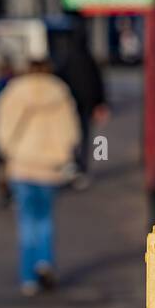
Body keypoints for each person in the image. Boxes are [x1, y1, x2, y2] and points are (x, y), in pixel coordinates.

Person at [0, 57, 80, 297]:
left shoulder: (13, 92)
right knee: (45, 218)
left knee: (26, 220)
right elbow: (70, 132)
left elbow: (1, 130)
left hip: (21, 165)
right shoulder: (60, 93)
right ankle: (45, 261)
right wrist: (63, 155)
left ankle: (28, 278)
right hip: (49, 167)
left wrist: (7, 150)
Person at [55, 16, 109, 190]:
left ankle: (71, 166)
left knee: (70, 137)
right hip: (86, 104)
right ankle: (82, 167)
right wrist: (100, 103)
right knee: (85, 137)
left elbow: (60, 82)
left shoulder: (66, 61)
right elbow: (98, 83)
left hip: (70, 106)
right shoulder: (89, 60)